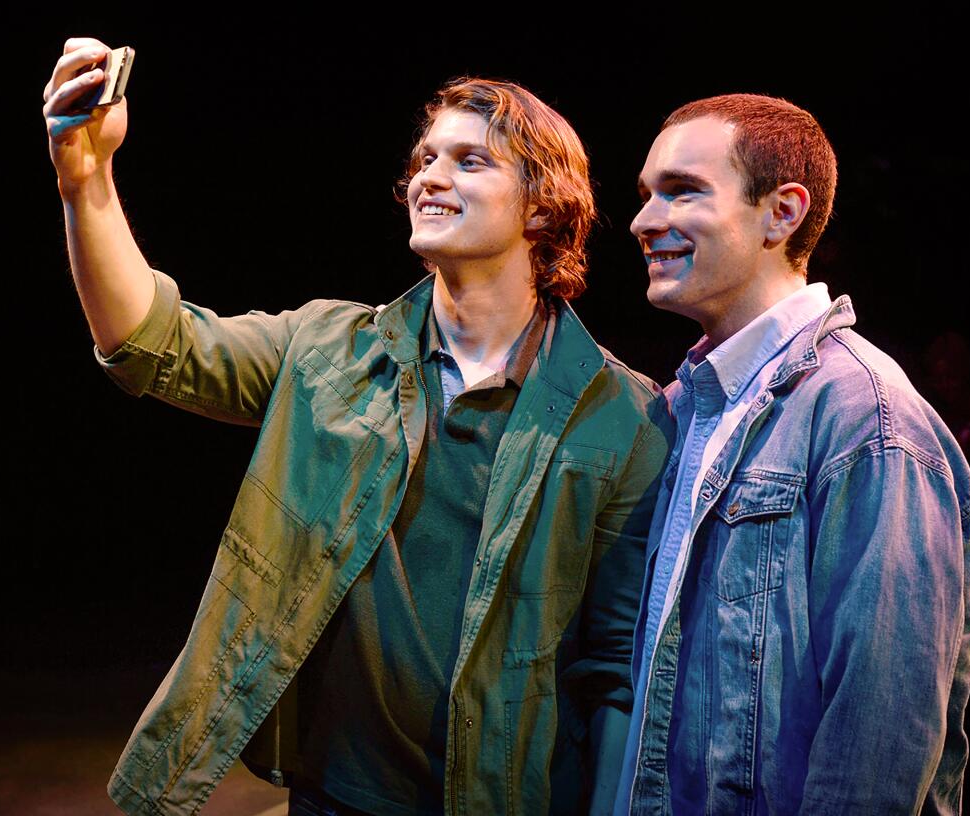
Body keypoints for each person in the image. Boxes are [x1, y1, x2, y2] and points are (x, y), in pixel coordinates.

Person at [42, 38, 669, 816]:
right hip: (334, 796)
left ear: (542, 207)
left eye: (470, 162)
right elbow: (152, 344)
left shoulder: (624, 416)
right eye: (427, 159)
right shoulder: (326, 350)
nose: (431, 177)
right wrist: (85, 180)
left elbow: (615, 671)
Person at [614, 94, 970, 814]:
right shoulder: (679, 407)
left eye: (682, 191)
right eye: (645, 195)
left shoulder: (869, 421)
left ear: (781, 214)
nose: (643, 221)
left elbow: (880, 741)